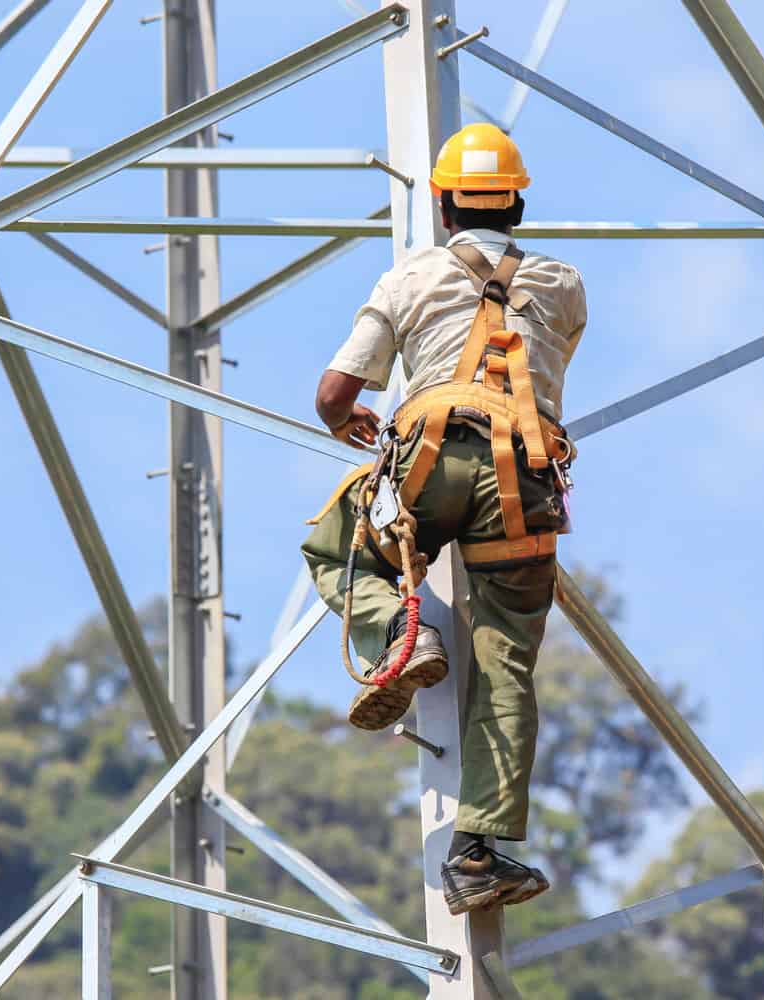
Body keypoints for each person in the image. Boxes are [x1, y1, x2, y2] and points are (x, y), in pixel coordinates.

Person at [300, 123, 587, 915]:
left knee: (338, 550)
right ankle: (478, 856)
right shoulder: (563, 283)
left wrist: (349, 420)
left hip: (429, 461)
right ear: (518, 200)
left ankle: (400, 629)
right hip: (526, 481)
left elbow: (332, 395)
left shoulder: (409, 277)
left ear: (441, 201)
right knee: (505, 666)